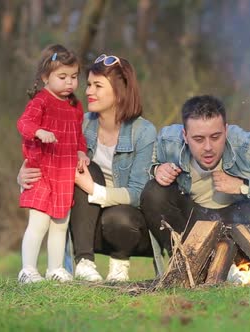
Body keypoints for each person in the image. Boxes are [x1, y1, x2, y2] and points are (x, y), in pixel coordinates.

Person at [18, 53, 156, 282]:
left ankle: (118, 263)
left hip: (124, 224)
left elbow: (138, 193)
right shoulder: (79, 122)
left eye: (97, 86)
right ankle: (82, 262)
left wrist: (94, 190)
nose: (88, 91)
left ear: (120, 89)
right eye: (89, 84)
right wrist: (22, 176)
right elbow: (48, 156)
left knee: (114, 210)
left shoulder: (143, 132)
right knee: (83, 165)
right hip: (83, 219)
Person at [140, 95, 250, 255]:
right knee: (153, 192)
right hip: (191, 220)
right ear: (185, 136)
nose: (208, 147)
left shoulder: (246, 147)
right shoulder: (169, 141)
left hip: (237, 219)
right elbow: (140, 177)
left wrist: (243, 186)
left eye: (215, 137)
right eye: (198, 139)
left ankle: (238, 267)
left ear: (226, 130)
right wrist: (157, 170)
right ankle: (185, 262)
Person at [16, 44, 89, 284]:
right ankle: (28, 270)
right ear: (45, 77)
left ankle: (55, 269)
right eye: (62, 77)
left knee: (60, 223)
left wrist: (81, 152)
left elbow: (78, 135)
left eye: (74, 77)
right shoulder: (41, 101)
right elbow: (23, 124)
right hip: (41, 171)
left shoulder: (74, 106)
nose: (69, 82)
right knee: (38, 223)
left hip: (64, 173)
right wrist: (38, 131)